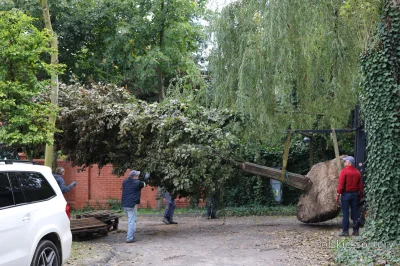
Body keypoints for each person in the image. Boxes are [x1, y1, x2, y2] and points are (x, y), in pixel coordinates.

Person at [337, 156, 363, 236]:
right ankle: (356, 231)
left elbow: (341, 185)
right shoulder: (357, 172)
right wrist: (360, 196)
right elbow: (361, 187)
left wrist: (338, 194)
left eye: (345, 161)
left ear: (349, 163)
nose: (344, 163)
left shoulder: (344, 172)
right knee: (355, 213)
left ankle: (345, 231)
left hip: (346, 195)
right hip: (355, 195)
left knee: (345, 213)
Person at [121, 170, 150, 243]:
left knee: (131, 220)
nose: (138, 176)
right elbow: (145, 184)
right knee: (132, 221)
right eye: (137, 175)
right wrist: (147, 178)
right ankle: (129, 238)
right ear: (134, 176)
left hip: (124, 204)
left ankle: (130, 235)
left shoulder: (124, 182)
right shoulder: (138, 183)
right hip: (131, 204)